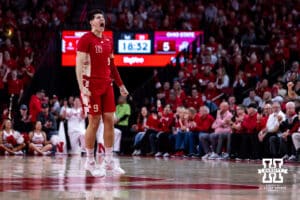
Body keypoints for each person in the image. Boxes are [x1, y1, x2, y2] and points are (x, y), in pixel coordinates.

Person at [76, 9, 128, 177]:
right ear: (91, 22)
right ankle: (90, 161)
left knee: (109, 121)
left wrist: (120, 84)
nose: (102, 20)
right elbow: (78, 65)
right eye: (98, 17)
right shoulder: (85, 40)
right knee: (94, 121)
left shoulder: (108, 40)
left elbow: (112, 66)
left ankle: (109, 161)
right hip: (91, 85)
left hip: (107, 85)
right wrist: (81, 87)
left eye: (103, 17)